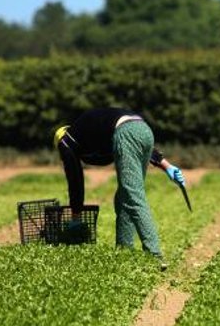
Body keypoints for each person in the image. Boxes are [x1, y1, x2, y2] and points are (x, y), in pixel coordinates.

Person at [53, 107, 187, 268]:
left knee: (133, 195)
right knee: (123, 197)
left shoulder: (66, 142)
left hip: (127, 131)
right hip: (144, 130)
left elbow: (75, 180)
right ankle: (124, 252)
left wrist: (75, 216)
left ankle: (154, 255)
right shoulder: (89, 134)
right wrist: (167, 166)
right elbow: (135, 135)